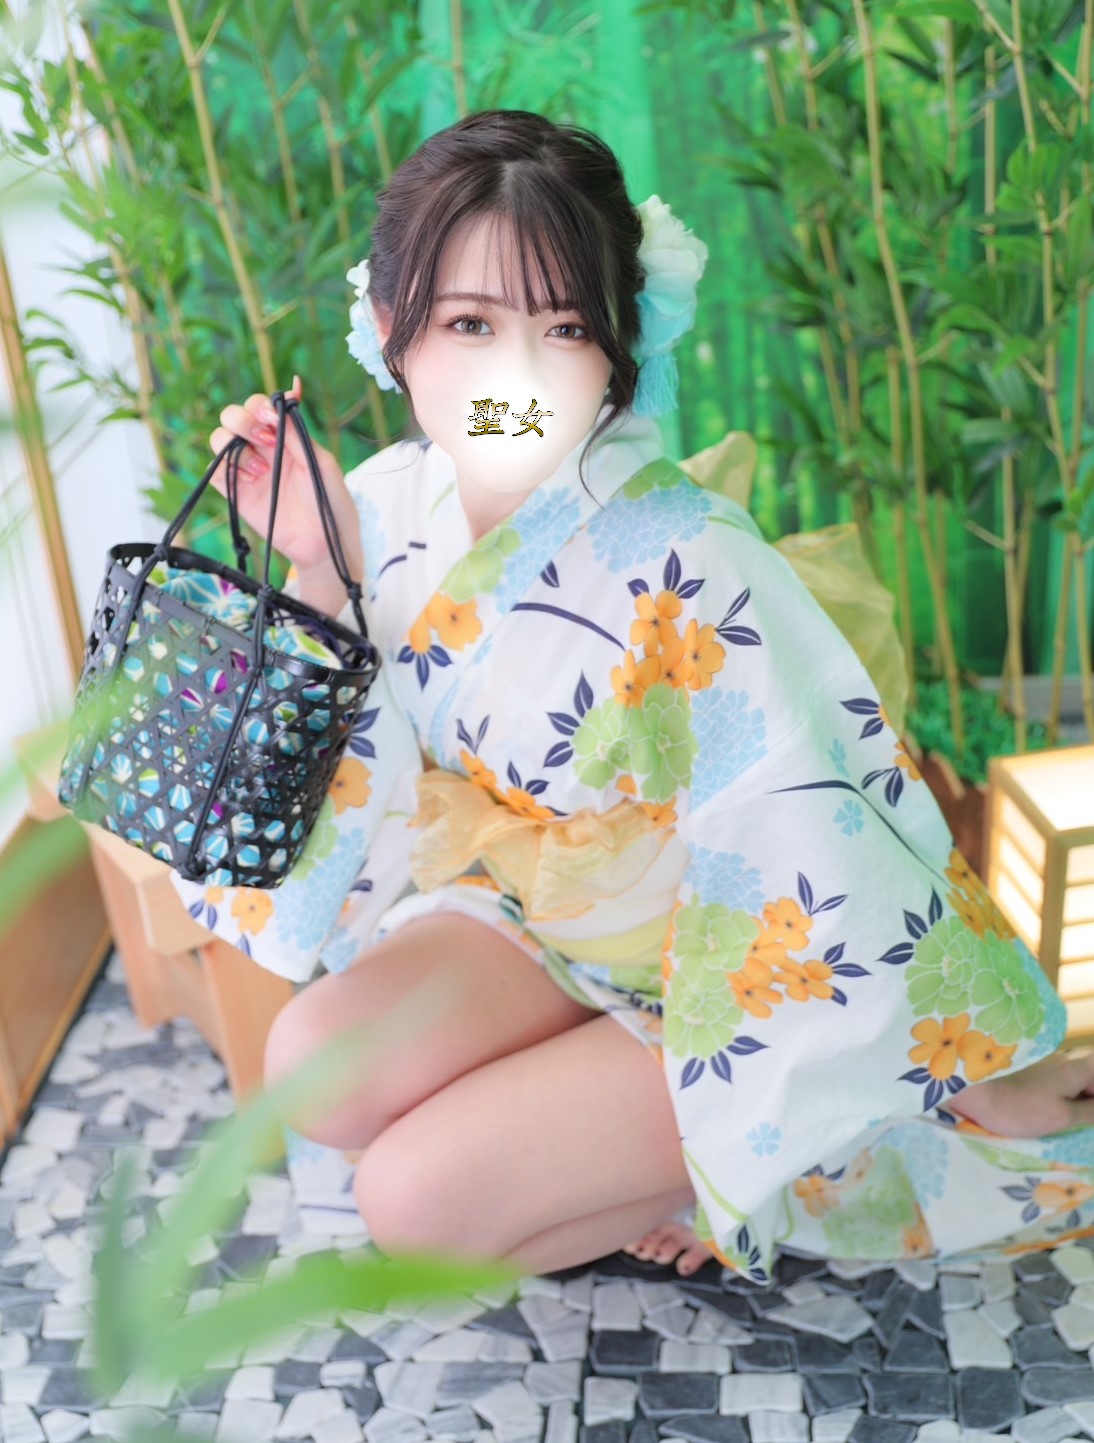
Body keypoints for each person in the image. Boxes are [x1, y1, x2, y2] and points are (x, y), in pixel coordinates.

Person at [185, 109, 1094, 1284]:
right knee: (309, 1066)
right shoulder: (382, 505)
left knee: (410, 1205)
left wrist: (973, 1066)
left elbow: (820, 826)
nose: (516, 376)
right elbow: (341, 786)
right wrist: (318, 569)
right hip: (529, 925)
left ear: (620, 344)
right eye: (470, 323)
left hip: (714, 983)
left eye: (563, 327)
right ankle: (594, 1123)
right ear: (389, 331)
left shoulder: (685, 554)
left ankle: (736, 1164)